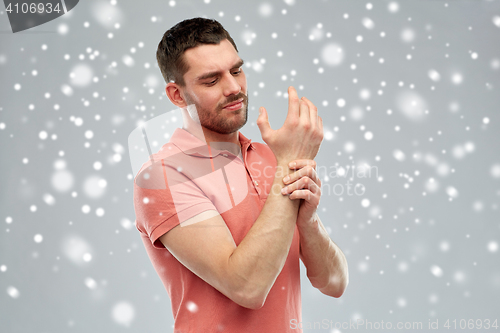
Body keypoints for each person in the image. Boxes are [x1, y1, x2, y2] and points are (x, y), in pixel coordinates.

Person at [133, 17, 348, 333]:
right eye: (211, 80)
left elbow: (335, 282)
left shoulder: (268, 157)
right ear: (177, 95)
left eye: (236, 71)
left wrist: (308, 222)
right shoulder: (163, 176)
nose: (234, 88)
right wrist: (288, 165)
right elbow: (246, 288)